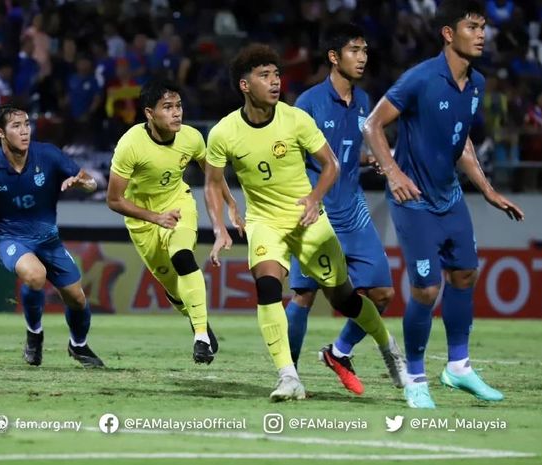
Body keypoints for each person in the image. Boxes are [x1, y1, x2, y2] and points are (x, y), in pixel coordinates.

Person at [205, 44, 406, 401]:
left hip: (307, 219)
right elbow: (212, 182)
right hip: (265, 222)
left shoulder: (295, 119)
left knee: (344, 298)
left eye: (277, 74)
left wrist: (314, 199)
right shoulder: (224, 133)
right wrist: (221, 225)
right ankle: (288, 376)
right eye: (264, 75)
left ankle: (387, 345)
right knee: (268, 288)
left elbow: (331, 164)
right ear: (244, 85)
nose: (274, 82)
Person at [364, 0, 524, 409]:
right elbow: (373, 124)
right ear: (448, 34)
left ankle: (459, 367)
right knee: (426, 288)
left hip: (449, 195)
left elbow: (462, 141)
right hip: (413, 198)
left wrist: (486, 189)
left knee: (465, 274)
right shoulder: (420, 78)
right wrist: (394, 173)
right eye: (472, 26)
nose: (482, 34)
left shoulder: (477, 84)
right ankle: (415, 377)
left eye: (483, 27)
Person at [0, 104, 104, 368]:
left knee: (77, 298)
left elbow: (90, 181)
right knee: (35, 275)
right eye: (16, 126)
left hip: (49, 240)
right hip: (8, 238)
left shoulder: (48, 154)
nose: (25, 131)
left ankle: (78, 345)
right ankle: (35, 334)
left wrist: (83, 183)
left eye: (27, 124)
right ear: (1, 133)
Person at [285, 23, 399, 396]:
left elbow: (346, 151)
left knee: (382, 292)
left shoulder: (365, 101)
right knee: (304, 295)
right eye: (354, 50)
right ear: (334, 57)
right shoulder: (308, 104)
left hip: (354, 211)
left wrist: (369, 160)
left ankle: (339, 352)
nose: (362, 57)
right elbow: (292, 159)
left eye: (365, 50)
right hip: (317, 213)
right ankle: (290, 374)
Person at [106, 79, 241, 364]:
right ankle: (196, 319)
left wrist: (231, 205)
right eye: (167, 107)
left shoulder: (191, 138)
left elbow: (213, 177)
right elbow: (114, 200)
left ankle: (201, 336)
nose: (176, 113)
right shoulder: (130, 145)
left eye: (178, 106)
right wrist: (155, 217)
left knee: (183, 257)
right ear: (149, 113)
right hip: (143, 222)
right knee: (173, 287)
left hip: (179, 205)